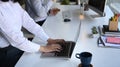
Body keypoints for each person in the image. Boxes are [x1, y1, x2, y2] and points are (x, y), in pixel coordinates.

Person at [0, 0, 65, 67]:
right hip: (6, 52)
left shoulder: (11, 2)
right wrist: (44, 48)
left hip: (17, 46)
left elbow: (28, 22)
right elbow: (16, 40)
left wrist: (49, 39)